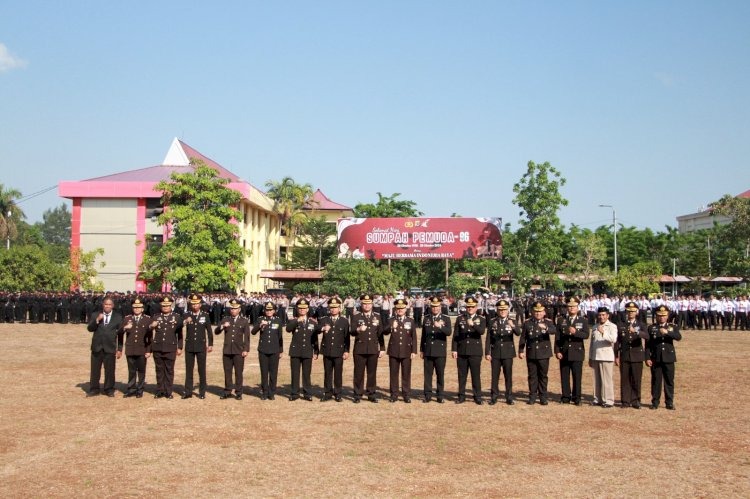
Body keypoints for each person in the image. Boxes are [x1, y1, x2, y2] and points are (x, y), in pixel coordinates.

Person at [554, 297, 590, 406]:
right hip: (564, 352)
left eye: (573, 306)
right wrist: (557, 351)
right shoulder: (561, 320)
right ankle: (565, 397)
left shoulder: (583, 320)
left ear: (578, 308)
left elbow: (586, 335)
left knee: (577, 376)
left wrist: (576, 333)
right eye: (569, 306)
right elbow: (557, 337)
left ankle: (576, 398)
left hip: (577, 352)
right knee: (564, 376)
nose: (571, 308)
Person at [519, 301, 556, 405]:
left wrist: (546, 328)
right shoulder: (527, 322)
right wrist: (521, 350)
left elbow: (554, 330)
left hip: (544, 353)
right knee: (532, 376)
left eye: (540, 312)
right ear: (532, 312)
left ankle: (543, 397)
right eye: (536, 311)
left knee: (543, 376)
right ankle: (532, 396)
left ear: (544, 312)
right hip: (531, 352)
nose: (538, 314)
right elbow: (523, 337)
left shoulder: (548, 322)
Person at [350, 293, 384, 403]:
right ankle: (357, 394)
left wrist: (382, 348)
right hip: (360, 349)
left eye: (369, 304)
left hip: (373, 349)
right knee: (358, 373)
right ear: (361, 304)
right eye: (364, 304)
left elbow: (380, 333)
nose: (366, 306)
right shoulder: (356, 316)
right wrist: (358, 330)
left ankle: (371, 393)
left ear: (372, 304)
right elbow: (351, 332)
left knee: (372, 373)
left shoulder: (377, 316)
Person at [485, 299, 520, 405]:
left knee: (508, 375)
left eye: (504, 309)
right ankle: (494, 396)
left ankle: (509, 397)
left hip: (508, 353)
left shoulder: (512, 320)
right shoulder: (492, 321)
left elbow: (518, 333)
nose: (502, 311)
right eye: (500, 309)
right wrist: (487, 352)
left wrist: (513, 326)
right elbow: (488, 338)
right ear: (497, 310)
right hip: (495, 352)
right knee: (494, 376)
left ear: (508, 310)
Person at [452, 296, 486, 405]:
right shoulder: (460, 318)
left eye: (472, 307)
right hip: (462, 351)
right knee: (462, 375)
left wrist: (473, 324)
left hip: (475, 352)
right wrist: (454, 349)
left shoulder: (481, 319)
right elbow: (455, 335)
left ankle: (477, 396)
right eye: (468, 306)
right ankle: (461, 396)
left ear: (476, 307)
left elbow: (481, 332)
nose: (470, 308)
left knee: (475, 375)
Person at [647, 305, 682, 410]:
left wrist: (668, 332)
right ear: (656, 316)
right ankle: (655, 402)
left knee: (669, 381)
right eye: (659, 316)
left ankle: (669, 402)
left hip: (669, 357)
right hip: (656, 357)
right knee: (656, 381)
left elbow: (678, 337)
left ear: (667, 316)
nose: (661, 317)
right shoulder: (652, 327)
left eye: (664, 315)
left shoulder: (672, 327)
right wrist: (647, 357)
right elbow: (648, 345)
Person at [86, 297, 123, 397]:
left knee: (110, 370)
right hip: (97, 347)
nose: (107, 306)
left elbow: (120, 335)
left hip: (110, 347)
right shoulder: (95, 314)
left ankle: (109, 389)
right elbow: (90, 328)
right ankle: (94, 389)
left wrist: (119, 349)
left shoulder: (118, 317)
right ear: (103, 305)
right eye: (105, 304)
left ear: (113, 306)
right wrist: (97, 320)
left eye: (109, 304)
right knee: (95, 370)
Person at [615, 301, 649, 409]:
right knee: (624, 379)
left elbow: (647, 336)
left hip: (637, 355)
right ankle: (625, 401)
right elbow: (617, 342)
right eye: (629, 311)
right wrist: (616, 355)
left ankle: (635, 400)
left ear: (637, 312)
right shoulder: (621, 324)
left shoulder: (641, 324)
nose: (631, 313)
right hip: (624, 355)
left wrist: (636, 332)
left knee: (636, 379)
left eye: (633, 311)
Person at [149, 296, 184, 399]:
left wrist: (180, 347)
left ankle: (168, 391)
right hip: (158, 347)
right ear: (161, 306)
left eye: (167, 305)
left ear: (171, 306)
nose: (165, 307)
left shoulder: (176, 317)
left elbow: (180, 334)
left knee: (169, 370)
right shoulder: (156, 316)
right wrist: (151, 326)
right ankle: (160, 390)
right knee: (159, 370)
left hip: (170, 347)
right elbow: (148, 331)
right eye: (163, 306)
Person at [215, 298, 250, 400]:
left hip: (238, 350)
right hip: (227, 350)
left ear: (239, 309)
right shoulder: (226, 319)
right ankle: (227, 390)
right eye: (231, 309)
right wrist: (222, 326)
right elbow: (216, 331)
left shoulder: (244, 321)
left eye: (235, 309)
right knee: (227, 371)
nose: (233, 311)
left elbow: (247, 337)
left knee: (239, 372)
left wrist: (246, 349)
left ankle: (239, 392)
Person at [383, 298, 417, 403]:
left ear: (405, 309)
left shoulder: (410, 321)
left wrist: (414, 351)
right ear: (395, 309)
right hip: (394, 351)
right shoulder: (391, 320)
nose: (400, 310)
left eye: (402, 308)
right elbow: (385, 332)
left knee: (406, 374)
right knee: (393, 373)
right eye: (398, 308)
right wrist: (391, 327)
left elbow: (414, 337)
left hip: (406, 351)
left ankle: (406, 394)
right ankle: (394, 394)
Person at [317, 297, 350, 402]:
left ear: (339, 308)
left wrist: (346, 350)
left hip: (339, 351)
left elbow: (347, 338)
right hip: (327, 350)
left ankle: (338, 393)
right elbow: (316, 329)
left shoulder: (344, 321)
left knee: (338, 373)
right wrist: (322, 328)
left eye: (335, 307)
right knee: (327, 373)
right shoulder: (324, 320)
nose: (333, 309)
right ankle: (327, 393)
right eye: (331, 307)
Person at [285, 298, 319, 401]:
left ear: (308, 309)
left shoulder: (312, 322)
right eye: (300, 308)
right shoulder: (294, 321)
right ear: (297, 309)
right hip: (295, 351)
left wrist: (316, 351)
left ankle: (307, 393)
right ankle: (294, 393)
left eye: (304, 308)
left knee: (306, 373)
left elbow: (315, 338)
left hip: (308, 350)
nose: (302, 310)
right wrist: (297, 321)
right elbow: (288, 329)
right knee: (295, 373)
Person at [420, 296, 451, 403]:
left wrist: (440, 327)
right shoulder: (426, 318)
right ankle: (427, 395)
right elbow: (423, 335)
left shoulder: (446, 318)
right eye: (433, 306)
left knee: (440, 374)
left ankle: (440, 395)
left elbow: (449, 333)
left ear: (440, 307)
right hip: (428, 351)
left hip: (440, 351)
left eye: (437, 306)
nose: (435, 308)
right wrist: (422, 350)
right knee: (428, 374)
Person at [182, 293, 213, 399]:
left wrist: (210, 344)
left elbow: (209, 331)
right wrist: (186, 321)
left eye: (197, 304)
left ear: (200, 304)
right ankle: (188, 392)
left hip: (201, 346)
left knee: (201, 369)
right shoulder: (187, 314)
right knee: (189, 370)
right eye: (193, 304)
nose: (195, 306)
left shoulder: (205, 315)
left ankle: (202, 392)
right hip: (190, 346)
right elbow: (179, 325)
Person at [252, 301, 284, 400]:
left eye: (271, 310)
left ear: (274, 311)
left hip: (274, 349)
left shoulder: (278, 320)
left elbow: (280, 336)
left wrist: (280, 350)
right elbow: (253, 332)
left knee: (273, 372)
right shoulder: (260, 319)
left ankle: (272, 392)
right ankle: (265, 392)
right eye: (267, 310)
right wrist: (260, 325)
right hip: (263, 349)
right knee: (264, 372)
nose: (269, 311)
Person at [122, 297, 151, 398]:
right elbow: (119, 332)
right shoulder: (127, 318)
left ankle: (140, 389)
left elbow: (149, 337)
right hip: (130, 349)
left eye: (139, 307)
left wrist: (148, 350)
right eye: (135, 307)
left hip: (142, 349)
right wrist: (125, 327)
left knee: (141, 371)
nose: (137, 309)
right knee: (131, 370)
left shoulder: (147, 319)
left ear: (142, 309)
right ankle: (131, 389)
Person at [589, 307, 618, 408]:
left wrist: (603, 332)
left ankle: (608, 400)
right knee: (597, 380)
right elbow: (592, 343)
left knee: (607, 380)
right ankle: (597, 398)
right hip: (596, 355)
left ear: (607, 316)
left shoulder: (612, 326)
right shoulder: (595, 326)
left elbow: (613, 339)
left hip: (606, 356)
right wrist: (590, 357)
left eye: (603, 315)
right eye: (600, 315)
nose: (601, 317)